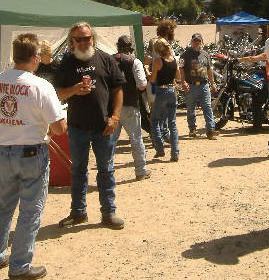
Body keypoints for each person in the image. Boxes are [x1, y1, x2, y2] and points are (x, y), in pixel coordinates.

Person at [0, 33, 67, 279]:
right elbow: (59, 127)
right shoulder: (41, 85)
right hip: (31, 152)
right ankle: (20, 265)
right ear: (35, 57)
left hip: (2, 150)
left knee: (2, 207)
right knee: (30, 211)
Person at [55, 22, 125, 229]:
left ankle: (108, 213)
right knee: (78, 171)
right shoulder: (66, 62)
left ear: (93, 38)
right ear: (72, 41)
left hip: (104, 126)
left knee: (106, 170)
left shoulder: (106, 58)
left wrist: (115, 117)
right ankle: (78, 212)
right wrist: (74, 90)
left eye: (88, 38)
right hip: (77, 127)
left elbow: (118, 89)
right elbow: (57, 93)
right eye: (80, 39)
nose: (84, 42)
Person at [113, 35, 151, 181]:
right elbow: (142, 84)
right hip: (130, 104)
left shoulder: (108, 60)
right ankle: (141, 171)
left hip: (112, 107)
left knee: (110, 142)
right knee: (136, 139)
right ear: (131, 47)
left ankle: (106, 172)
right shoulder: (134, 61)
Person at [180, 33, 219, 140]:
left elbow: (209, 69)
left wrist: (212, 83)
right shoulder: (185, 55)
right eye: (194, 40)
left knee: (207, 108)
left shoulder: (206, 54)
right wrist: (183, 82)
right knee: (190, 109)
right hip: (191, 86)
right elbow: (181, 69)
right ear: (191, 41)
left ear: (201, 41)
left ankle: (210, 130)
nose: (196, 42)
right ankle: (192, 129)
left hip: (204, 85)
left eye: (198, 40)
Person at [150, 38, 180, 162]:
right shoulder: (174, 60)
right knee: (172, 123)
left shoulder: (158, 61)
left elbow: (152, 80)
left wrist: (148, 72)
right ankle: (175, 152)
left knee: (155, 120)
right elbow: (177, 77)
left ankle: (160, 148)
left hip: (161, 91)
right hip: (172, 91)